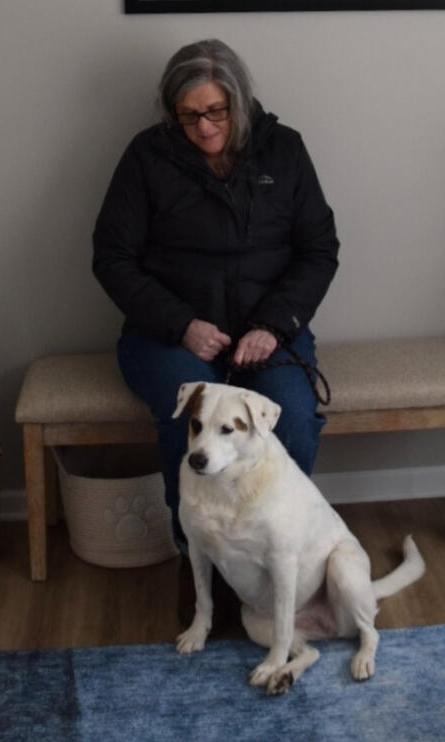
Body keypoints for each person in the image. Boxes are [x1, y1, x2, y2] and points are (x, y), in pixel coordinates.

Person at [92, 38, 339, 547]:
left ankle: (274, 552)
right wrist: (182, 325)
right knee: (193, 424)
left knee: (291, 419)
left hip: (269, 335)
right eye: (188, 116)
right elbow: (112, 258)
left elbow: (318, 249)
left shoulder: (284, 149)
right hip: (167, 336)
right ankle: (199, 560)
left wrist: (272, 327)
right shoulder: (147, 157)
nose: (204, 127)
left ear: (239, 101)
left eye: (216, 112)